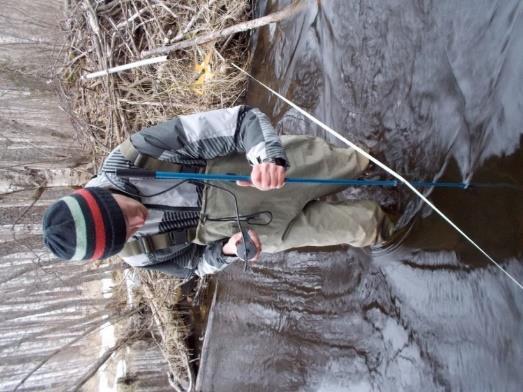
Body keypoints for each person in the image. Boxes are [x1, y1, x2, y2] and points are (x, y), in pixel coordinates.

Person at [42, 106, 393, 278]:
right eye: (127, 234)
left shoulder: (136, 155)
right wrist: (225, 252)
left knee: (364, 163)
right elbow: (194, 265)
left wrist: (267, 158)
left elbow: (242, 121)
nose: (137, 222)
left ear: (104, 194)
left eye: (123, 214)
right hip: (262, 231)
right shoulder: (136, 255)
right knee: (368, 230)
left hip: (259, 172)